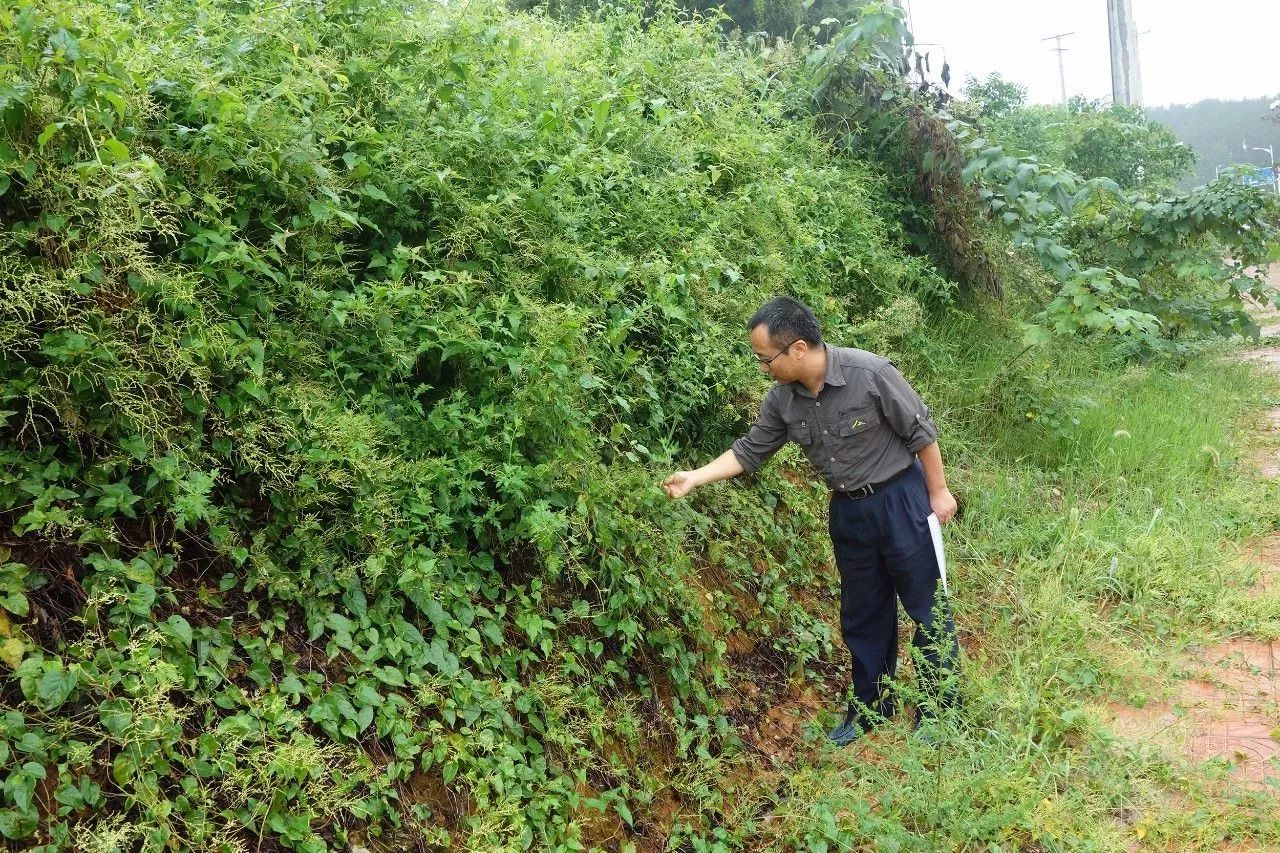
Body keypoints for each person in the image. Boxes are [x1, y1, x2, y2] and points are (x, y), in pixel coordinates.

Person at [662, 296, 960, 745]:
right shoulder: (782, 400)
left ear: (797, 348)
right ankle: (870, 710)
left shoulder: (870, 373)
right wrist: (695, 477)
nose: (763, 368)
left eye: (766, 358)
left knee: (927, 607)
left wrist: (938, 492)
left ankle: (939, 710)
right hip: (849, 513)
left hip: (902, 500)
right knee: (863, 613)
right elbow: (750, 450)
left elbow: (921, 433)